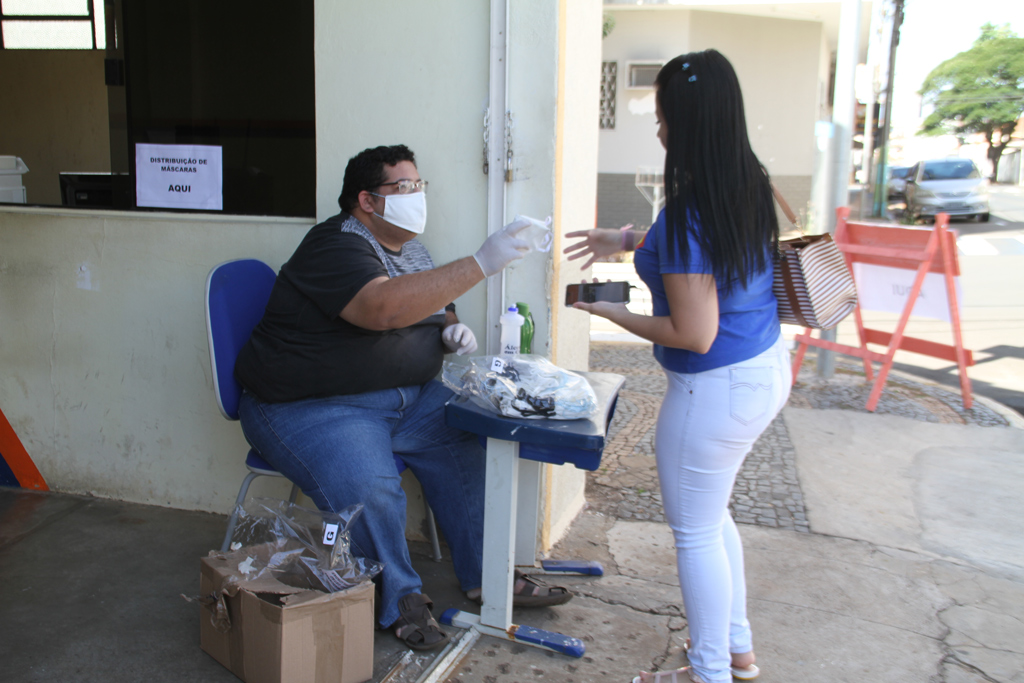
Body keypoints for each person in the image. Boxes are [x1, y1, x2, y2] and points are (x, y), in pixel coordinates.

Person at [234, 144, 572, 652]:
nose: (417, 196)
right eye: (404, 187)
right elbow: (383, 310)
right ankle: (400, 600)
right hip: (309, 407)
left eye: (420, 185)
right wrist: (481, 262)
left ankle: (489, 578)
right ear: (368, 201)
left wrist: (453, 330)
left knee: (472, 438)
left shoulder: (411, 246)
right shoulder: (334, 244)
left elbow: (438, 306)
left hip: (405, 399)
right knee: (372, 488)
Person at [564, 51, 791, 683]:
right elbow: (709, 257)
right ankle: (735, 650)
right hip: (763, 369)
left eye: (664, 116)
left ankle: (709, 671)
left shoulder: (690, 210)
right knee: (712, 517)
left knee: (693, 532)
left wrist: (609, 312)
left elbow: (693, 332)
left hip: (715, 388)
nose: (659, 130)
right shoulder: (746, 180)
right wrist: (629, 242)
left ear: (689, 123)